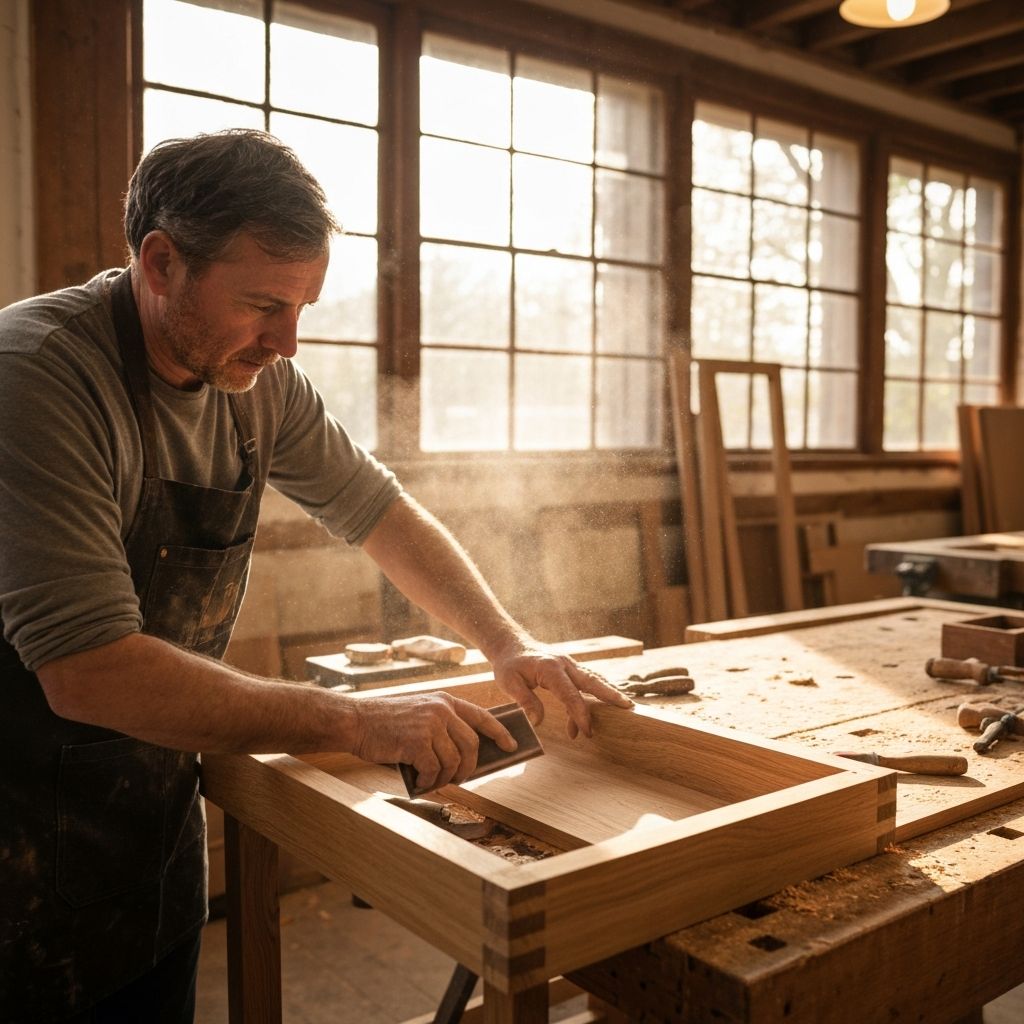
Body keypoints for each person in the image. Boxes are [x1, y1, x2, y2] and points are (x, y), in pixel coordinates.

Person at [0, 129, 634, 1023]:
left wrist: (508, 644)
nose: (288, 342)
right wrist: (353, 721)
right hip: (16, 839)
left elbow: (381, 511)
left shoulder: (258, 383)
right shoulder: (37, 377)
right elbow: (88, 667)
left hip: (151, 828)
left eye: (304, 306)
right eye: (264, 304)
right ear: (160, 262)